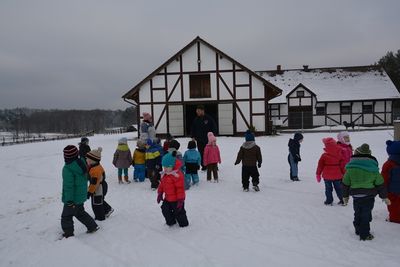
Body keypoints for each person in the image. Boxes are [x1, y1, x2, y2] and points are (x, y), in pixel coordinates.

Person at [342, 143, 391, 241]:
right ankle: (364, 234)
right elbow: (380, 184)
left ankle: (358, 228)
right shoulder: (373, 169)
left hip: (356, 196)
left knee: (358, 212)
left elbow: (345, 183)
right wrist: (384, 197)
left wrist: (345, 196)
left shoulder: (350, 168)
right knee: (366, 214)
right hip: (368, 196)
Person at [61, 145, 98, 238]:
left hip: (72, 199)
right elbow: (86, 174)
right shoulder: (82, 162)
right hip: (81, 195)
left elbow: (69, 186)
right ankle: (92, 226)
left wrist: (69, 200)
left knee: (66, 216)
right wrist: (90, 179)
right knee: (80, 212)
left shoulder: (68, 169)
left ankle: (68, 234)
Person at [157, 151, 189, 227]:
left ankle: (184, 224)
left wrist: (180, 200)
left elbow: (180, 188)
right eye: (164, 167)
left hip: (177, 200)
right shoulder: (164, 174)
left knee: (179, 212)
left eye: (167, 167)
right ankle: (171, 222)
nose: (165, 169)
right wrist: (160, 193)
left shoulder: (177, 175)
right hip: (167, 198)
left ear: (173, 165)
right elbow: (162, 185)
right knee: (165, 209)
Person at [86, 147, 114, 221]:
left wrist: (89, 192)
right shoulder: (96, 166)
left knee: (97, 204)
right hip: (101, 186)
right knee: (99, 200)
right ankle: (108, 209)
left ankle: (100, 217)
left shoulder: (95, 170)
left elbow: (94, 183)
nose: (86, 160)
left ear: (93, 160)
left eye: (88, 159)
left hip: (98, 188)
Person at [316, 137, 345, 205]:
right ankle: (342, 200)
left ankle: (329, 200)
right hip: (337, 175)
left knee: (328, 189)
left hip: (327, 175)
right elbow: (342, 165)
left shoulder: (324, 155)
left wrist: (318, 174)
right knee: (339, 188)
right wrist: (344, 173)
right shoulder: (339, 154)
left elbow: (320, 165)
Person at [190, 105, 217, 170]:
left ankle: (213, 165)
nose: (197, 112)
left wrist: (213, 137)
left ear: (202, 111)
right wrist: (193, 136)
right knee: (201, 153)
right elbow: (193, 128)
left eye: (199, 111)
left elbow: (214, 127)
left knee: (210, 153)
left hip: (208, 140)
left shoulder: (209, 119)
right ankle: (204, 165)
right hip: (199, 140)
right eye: (197, 111)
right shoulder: (196, 119)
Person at [381, 140, 400, 223]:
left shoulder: (388, 164)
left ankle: (395, 219)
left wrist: (382, 189)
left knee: (394, 206)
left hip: (393, 191)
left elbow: (384, 178)